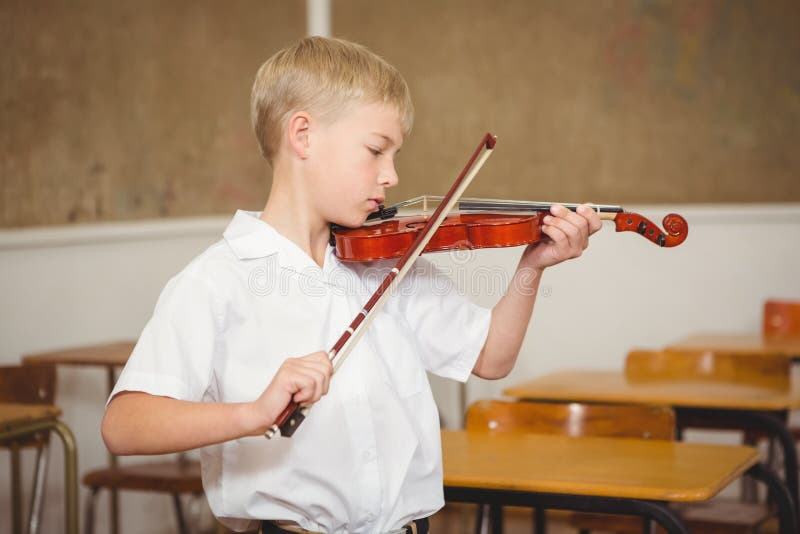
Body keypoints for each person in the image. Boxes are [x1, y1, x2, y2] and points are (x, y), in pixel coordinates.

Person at [101, 36, 602, 534]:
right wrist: (253, 414)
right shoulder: (217, 280)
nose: (392, 175)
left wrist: (531, 267)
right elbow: (124, 425)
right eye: (375, 150)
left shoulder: (387, 264)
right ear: (303, 135)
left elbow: (492, 357)